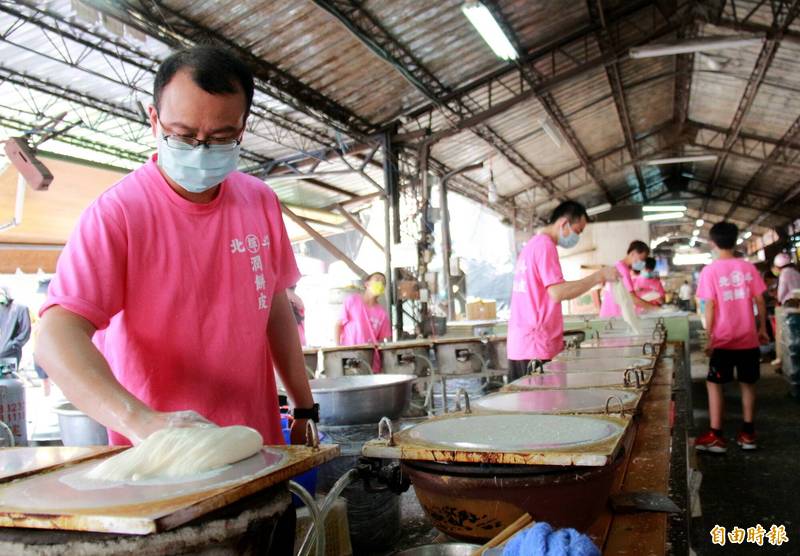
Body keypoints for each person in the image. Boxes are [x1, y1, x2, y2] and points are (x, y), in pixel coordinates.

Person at [35, 46, 316, 453]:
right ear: (154, 120)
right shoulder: (118, 214)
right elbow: (57, 336)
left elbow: (274, 308)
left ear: (241, 128)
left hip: (257, 447)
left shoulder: (260, 201)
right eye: (184, 136)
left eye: (221, 138)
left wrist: (304, 407)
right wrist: (140, 421)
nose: (201, 151)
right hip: (164, 461)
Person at [507, 201, 619, 380]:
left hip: (524, 345)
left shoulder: (532, 245)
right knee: (544, 404)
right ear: (564, 223)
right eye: (578, 230)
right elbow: (558, 292)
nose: (577, 236)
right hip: (536, 346)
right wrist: (598, 277)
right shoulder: (545, 246)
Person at [695, 222, 768, 453]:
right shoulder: (748, 268)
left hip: (723, 339)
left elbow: (710, 307)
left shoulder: (710, 270)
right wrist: (762, 329)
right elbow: (760, 300)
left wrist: (709, 338)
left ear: (713, 243)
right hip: (748, 338)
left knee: (714, 383)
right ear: (735, 241)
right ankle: (748, 434)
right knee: (748, 383)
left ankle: (716, 435)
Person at [334, 272, 391, 371]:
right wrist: (338, 350)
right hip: (349, 359)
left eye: (383, 283)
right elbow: (338, 325)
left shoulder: (382, 314)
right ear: (367, 284)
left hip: (371, 363)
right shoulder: (352, 301)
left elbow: (381, 341)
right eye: (377, 280)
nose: (380, 284)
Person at [599, 240, 659, 318]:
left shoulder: (618, 265)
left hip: (610, 314)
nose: (642, 262)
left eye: (644, 260)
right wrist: (656, 308)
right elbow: (632, 298)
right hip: (613, 315)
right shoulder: (623, 270)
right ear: (633, 253)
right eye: (641, 259)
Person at [769, 253, 800, 368]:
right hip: (798, 304)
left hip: (789, 305)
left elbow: (781, 293)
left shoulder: (784, 274)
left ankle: (787, 361)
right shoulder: (796, 272)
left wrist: (778, 298)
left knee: (789, 334)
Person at [0, 286, 31, 371]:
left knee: (7, 378)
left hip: (11, 353)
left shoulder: (20, 308)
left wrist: (14, 344)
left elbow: (25, 330)